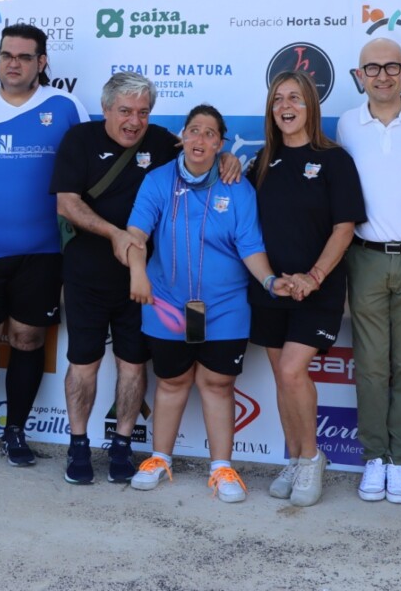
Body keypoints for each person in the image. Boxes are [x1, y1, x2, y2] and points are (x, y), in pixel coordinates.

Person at [51, 72, 243, 485]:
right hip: (87, 274)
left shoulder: (158, 141)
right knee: (83, 363)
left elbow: (200, 151)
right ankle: (78, 444)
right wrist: (115, 233)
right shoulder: (79, 141)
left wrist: (227, 159)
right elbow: (67, 204)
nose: (134, 121)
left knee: (133, 365)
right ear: (106, 109)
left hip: (144, 284)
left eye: (142, 112)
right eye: (124, 111)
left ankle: (122, 446)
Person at [125, 104, 289, 503]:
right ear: (183, 137)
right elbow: (135, 233)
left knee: (217, 384)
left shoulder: (237, 187)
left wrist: (268, 279)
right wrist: (137, 273)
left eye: (210, 134)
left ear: (221, 143)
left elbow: (250, 245)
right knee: (171, 381)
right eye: (194, 131)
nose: (201, 139)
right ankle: (160, 459)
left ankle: (221, 467)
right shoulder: (158, 180)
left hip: (225, 305)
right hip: (166, 303)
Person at [0, 23, 87, 466]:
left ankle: (15, 431)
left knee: (28, 340)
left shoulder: (65, 106)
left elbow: (97, 162)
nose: (14, 63)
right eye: (7, 54)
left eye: (25, 57)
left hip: (43, 252)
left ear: (42, 63)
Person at [337, 38, 401, 505]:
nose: (382, 75)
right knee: (371, 367)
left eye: (391, 66)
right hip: (366, 258)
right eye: (372, 68)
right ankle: (374, 458)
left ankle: (400, 460)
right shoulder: (346, 123)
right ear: (359, 75)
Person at [250, 71, 364, 507]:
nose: (286, 106)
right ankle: (295, 458)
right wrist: (274, 280)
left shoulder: (335, 159)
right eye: (278, 99)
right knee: (282, 375)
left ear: (310, 106)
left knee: (294, 370)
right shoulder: (262, 161)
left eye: (294, 98)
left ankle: (314, 457)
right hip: (272, 289)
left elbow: (344, 228)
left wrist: (312, 277)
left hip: (317, 289)